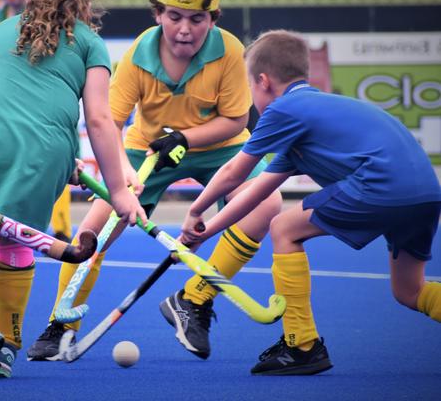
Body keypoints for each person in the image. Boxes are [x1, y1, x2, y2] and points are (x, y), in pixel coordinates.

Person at [27, 0, 283, 362]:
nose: (185, 29)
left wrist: (184, 136)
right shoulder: (139, 55)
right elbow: (108, 123)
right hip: (147, 150)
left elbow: (236, 120)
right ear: (157, 14)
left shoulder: (230, 51)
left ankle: (194, 299)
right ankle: (61, 325)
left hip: (218, 148)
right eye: (174, 17)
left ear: (213, 19)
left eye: (197, 19)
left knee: (267, 202)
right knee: (94, 232)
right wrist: (124, 172)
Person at [0, 0, 146, 380]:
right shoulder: (90, 43)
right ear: (85, 4)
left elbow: (9, 100)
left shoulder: (1, 31)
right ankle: (8, 345)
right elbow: (101, 120)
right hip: (45, 152)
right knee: (16, 237)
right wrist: (119, 191)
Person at [180, 29, 441, 375]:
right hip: (426, 192)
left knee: (284, 228)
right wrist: (206, 231)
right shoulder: (311, 116)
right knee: (409, 290)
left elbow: (233, 174)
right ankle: (301, 345)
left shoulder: (285, 109)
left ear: (263, 81)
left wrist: (195, 210)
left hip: (382, 184)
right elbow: (257, 190)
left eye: (250, 87)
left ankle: (302, 345)